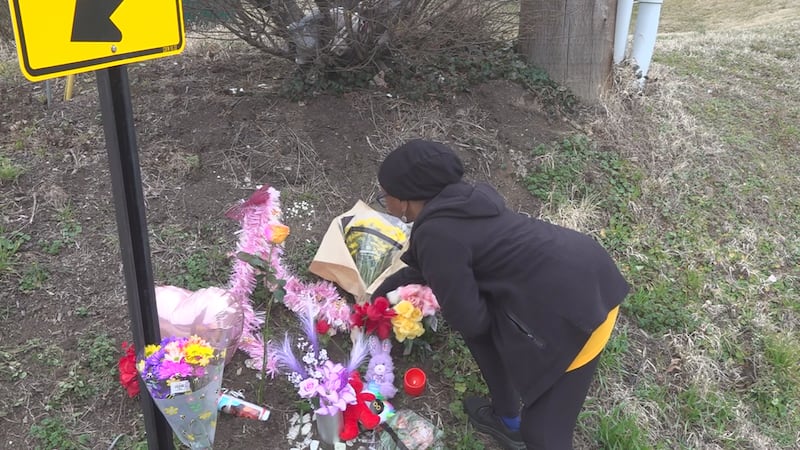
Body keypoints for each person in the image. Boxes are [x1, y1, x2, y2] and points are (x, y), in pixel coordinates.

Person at [371, 139, 629, 450]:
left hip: (577, 310)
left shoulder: (437, 235)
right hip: (586, 269)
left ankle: (517, 424)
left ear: (406, 199)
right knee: (482, 327)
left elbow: (471, 320)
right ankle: (507, 419)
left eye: (385, 194)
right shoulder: (464, 203)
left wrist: (491, 321)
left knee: (544, 433)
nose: (384, 201)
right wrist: (380, 295)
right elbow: (428, 268)